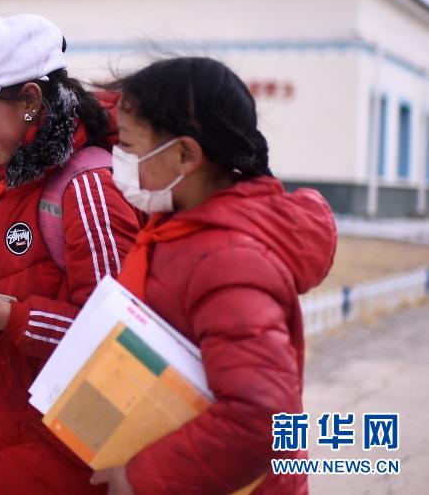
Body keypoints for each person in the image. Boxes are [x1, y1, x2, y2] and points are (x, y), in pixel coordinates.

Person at [0, 14, 142, 494]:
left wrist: (5, 315)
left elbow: (120, 342)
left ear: (30, 102)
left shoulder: (86, 188)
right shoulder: (6, 184)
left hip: (70, 467)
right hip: (4, 452)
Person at [91, 56, 337, 494]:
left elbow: (261, 420)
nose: (118, 160)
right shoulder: (180, 226)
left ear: (185, 155)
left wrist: (140, 477)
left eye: (127, 145)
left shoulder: (229, 260)